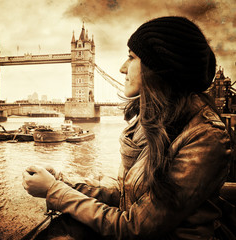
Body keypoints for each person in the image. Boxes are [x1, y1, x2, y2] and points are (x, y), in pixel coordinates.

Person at [22, 16, 235, 239]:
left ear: (160, 68)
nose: (122, 68)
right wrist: (63, 181)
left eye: (131, 58)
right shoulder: (153, 121)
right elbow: (125, 194)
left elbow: (133, 228)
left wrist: (54, 192)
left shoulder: (205, 138)